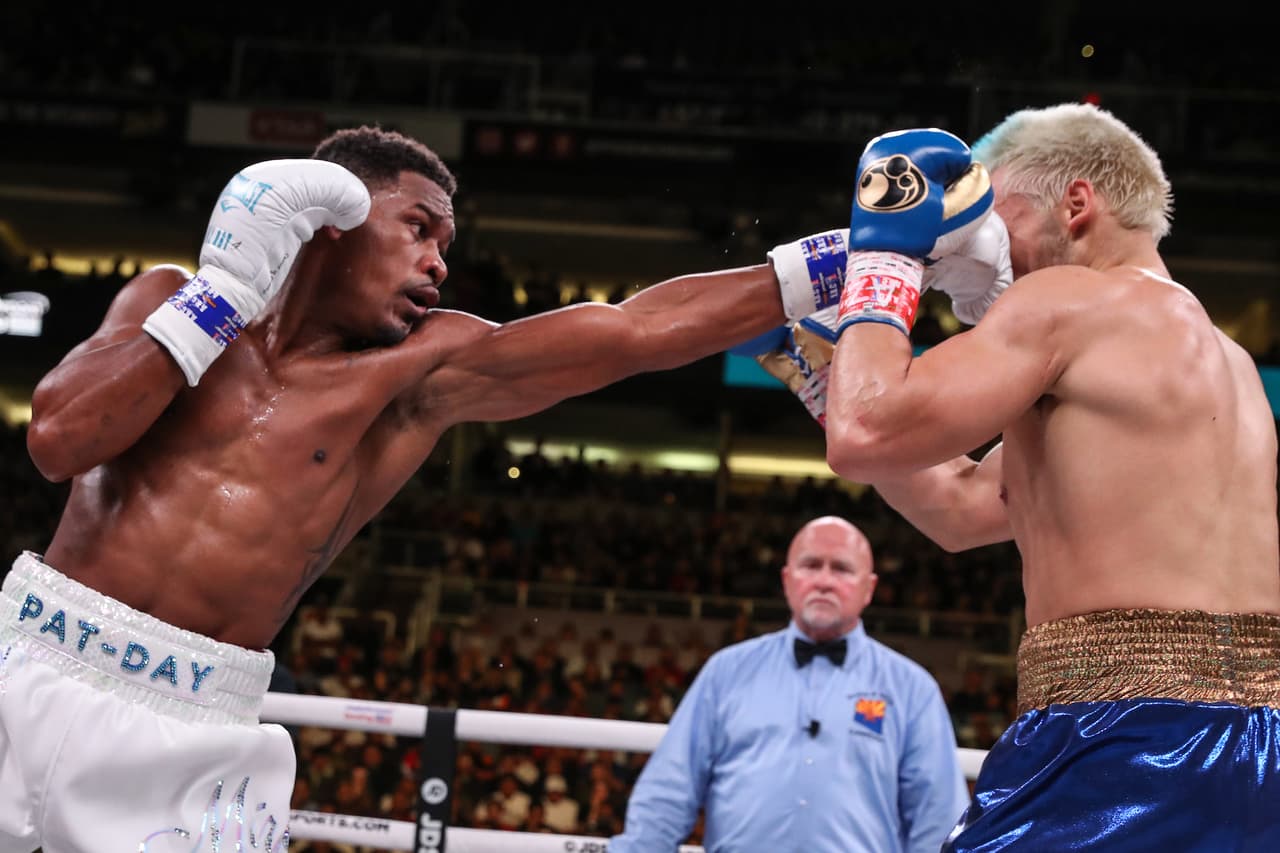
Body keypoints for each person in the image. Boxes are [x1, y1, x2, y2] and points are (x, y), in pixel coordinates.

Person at [0, 123, 1006, 853]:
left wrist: (860, 254)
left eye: (448, 239)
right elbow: (58, 438)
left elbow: (629, 330)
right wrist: (219, 298)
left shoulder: (414, 377)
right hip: (30, 662)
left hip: (193, 722)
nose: (441, 260)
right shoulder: (169, 300)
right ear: (329, 221)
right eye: (419, 227)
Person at [812, 104, 1280, 849]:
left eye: (1001, 221)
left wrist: (886, 257)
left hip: (1123, 742)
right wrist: (819, 377)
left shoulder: (1066, 303)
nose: (987, 251)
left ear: (1076, 205)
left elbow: (866, 430)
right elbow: (960, 507)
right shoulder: (1230, 365)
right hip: (1258, 750)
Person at [609, 516, 968, 853]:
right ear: (787, 580)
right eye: (811, 565)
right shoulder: (727, 673)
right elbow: (669, 791)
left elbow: (936, 818)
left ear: (868, 588)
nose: (824, 581)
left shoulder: (911, 689)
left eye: (841, 568)